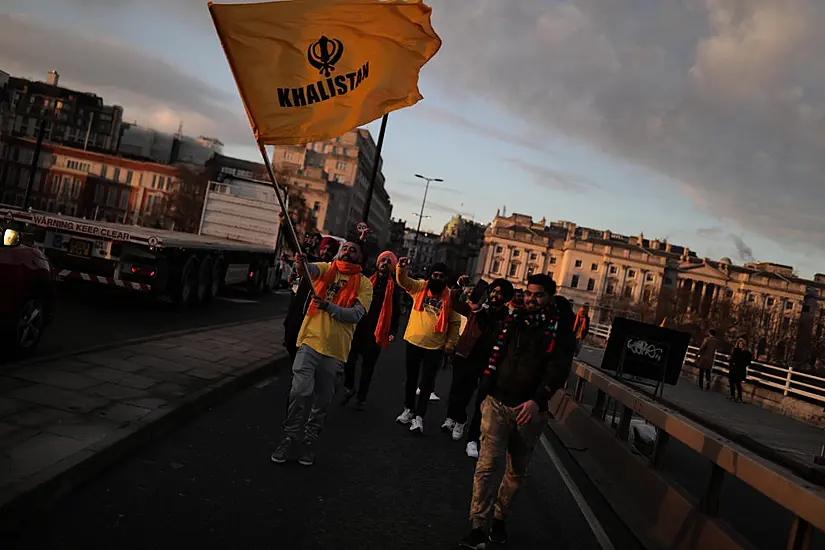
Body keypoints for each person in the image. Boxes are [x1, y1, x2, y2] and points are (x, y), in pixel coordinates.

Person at [459, 274, 575, 548]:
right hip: (498, 402)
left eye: (539, 295)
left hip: (529, 411)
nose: (532, 299)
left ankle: (500, 518)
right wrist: (486, 386)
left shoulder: (560, 330)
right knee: (487, 466)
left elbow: (559, 368)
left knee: (515, 472)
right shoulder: (514, 319)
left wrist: (538, 400)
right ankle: (477, 526)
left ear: (549, 297)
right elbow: (494, 351)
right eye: (529, 293)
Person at [270, 241, 373, 467]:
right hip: (310, 341)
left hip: (336, 350)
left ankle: (308, 441)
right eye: (345, 248)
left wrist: (328, 307)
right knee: (299, 390)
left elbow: (356, 315)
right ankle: (291, 437)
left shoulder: (365, 284)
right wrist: (301, 263)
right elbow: (310, 270)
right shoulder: (328, 269)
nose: (347, 251)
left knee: (322, 401)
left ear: (361, 259)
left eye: (353, 250)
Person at [442, 278, 514, 452]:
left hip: (490, 363)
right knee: (459, 394)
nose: (495, 295)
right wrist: (462, 289)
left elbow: (500, 334)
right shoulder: (477, 307)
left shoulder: (507, 318)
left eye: (500, 293)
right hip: (468, 357)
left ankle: (472, 439)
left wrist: (482, 313)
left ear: (506, 298)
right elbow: (454, 303)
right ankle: (460, 418)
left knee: (481, 403)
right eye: (493, 291)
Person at [395, 259, 461, 434]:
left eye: (441, 276)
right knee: (411, 379)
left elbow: (455, 323)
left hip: (435, 347)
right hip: (414, 341)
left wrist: (450, 344)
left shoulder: (450, 296)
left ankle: (419, 417)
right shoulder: (420, 287)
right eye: (435, 275)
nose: (437, 279)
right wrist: (401, 268)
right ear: (430, 276)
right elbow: (403, 281)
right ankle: (408, 409)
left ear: (446, 279)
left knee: (426, 384)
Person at [341, 251, 402, 410]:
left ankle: (361, 398)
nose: (385, 263)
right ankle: (349, 386)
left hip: (377, 330)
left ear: (393, 266)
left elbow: (396, 310)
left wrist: (392, 331)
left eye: (389, 262)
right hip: (359, 327)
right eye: (383, 260)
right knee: (349, 360)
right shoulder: (367, 278)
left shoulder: (394, 287)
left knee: (368, 367)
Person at [283, 235, 339, 361]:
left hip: (312, 315)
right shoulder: (311, 261)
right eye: (324, 248)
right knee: (290, 341)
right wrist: (286, 224)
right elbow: (297, 247)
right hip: (296, 311)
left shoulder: (332, 269)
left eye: (330, 250)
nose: (326, 252)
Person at [728, 338, 751, 402]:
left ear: (744, 345)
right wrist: (730, 361)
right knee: (731, 381)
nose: (740, 345)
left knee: (738, 383)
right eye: (739, 344)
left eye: (741, 344)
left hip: (740, 369)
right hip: (734, 368)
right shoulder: (735, 350)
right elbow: (732, 358)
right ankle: (732, 395)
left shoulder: (746, 352)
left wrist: (744, 364)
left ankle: (739, 397)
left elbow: (748, 361)